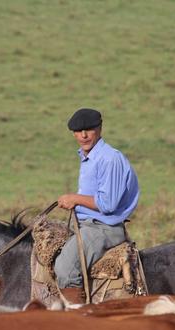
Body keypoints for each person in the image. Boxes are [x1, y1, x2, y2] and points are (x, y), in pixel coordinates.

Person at [54, 108, 140, 289]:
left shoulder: (109, 159)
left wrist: (75, 199)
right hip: (87, 224)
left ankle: (77, 315)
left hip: (104, 227)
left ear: (100, 128)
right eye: (78, 131)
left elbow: (108, 204)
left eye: (89, 130)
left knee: (65, 270)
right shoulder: (88, 157)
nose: (83, 135)